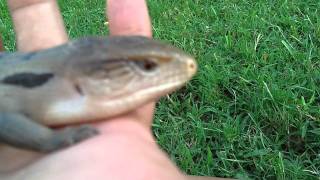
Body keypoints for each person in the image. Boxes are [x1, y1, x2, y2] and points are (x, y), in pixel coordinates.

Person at [0, 0, 225, 179]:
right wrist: (50, 141)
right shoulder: (39, 95)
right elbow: (5, 122)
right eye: (147, 66)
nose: (189, 65)